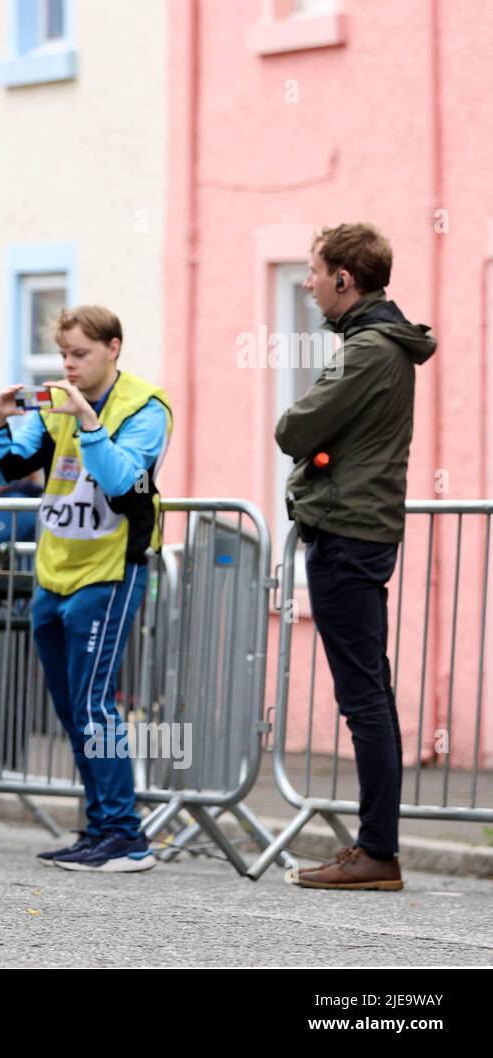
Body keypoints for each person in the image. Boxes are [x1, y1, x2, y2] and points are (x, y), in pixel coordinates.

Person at [0, 305, 171, 873]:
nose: (69, 365)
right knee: (70, 708)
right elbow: (3, 471)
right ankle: (98, 825)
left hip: (111, 570)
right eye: (64, 354)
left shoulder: (146, 407)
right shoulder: (62, 405)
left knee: (95, 703)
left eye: (81, 354)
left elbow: (122, 480)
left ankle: (126, 833)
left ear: (114, 348)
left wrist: (90, 423)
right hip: (54, 571)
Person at [277, 224, 436, 892]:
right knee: (370, 692)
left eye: (314, 272)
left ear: (346, 278)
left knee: (365, 698)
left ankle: (377, 852)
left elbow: (293, 429)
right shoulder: (378, 343)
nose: (308, 283)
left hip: (346, 534)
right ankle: (376, 849)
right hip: (358, 532)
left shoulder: (368, 349)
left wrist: (309, 440)